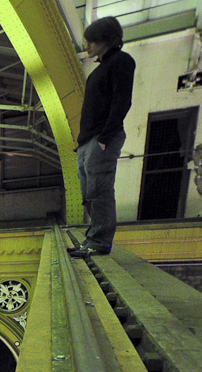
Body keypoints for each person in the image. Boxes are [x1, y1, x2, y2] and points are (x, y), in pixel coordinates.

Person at [70, 17, 135, 258]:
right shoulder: (100, 69)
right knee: (89, 193)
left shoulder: (121, 61)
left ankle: (99, 242)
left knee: (99, 191)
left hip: (101, 138)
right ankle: (93, 238)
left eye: (92, 41)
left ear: (106, 39)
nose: (87, 46)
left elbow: (122, 102)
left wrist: (104, 138)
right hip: (88, 141)